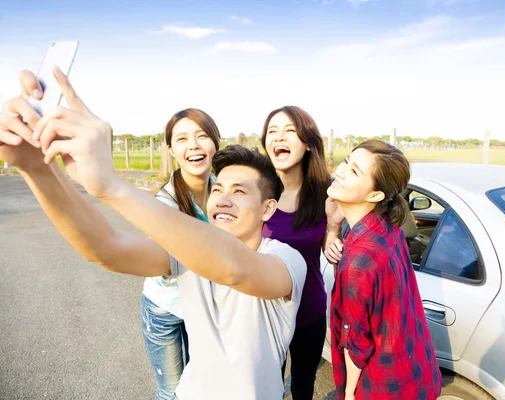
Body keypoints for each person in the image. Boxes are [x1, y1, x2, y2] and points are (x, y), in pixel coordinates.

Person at [0, 68, 306, 400]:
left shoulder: (286, 260)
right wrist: (35, 167)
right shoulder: (189, 253)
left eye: (240, 192)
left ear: (268, 209)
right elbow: (107, 248)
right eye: (218, 189)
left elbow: (234, 268)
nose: (223, 199)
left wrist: (113, 186)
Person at [325, 140, 442, 400]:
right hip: (417, 375)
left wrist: (349, 392)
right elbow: (362, 299)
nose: (341, 171)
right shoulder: (388, 231)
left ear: (375, 195)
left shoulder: (360, 257)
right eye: (346, 161)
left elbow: (355, 341)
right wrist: (334, 223)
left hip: (382, 385)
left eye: (354, 171)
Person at [260, 106, 341, 399]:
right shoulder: (255, 190)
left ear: (307, 143)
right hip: (265, 311)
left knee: (303, 383)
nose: (279, 137)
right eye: (272, 131)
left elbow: (333, 238)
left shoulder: (326, 191)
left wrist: (333, 230)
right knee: (268, 383)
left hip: (309, 309)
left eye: (290, 131)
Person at [141, 108, 220, 400]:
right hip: (165, 310)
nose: (194, 145)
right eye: (183, 139)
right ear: (172, 149)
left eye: (202, 136)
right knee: (172, 391)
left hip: (205, 307)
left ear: (215, 142)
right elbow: (166, 264)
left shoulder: (224, 190)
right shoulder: (164, 203)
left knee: (204, 387)